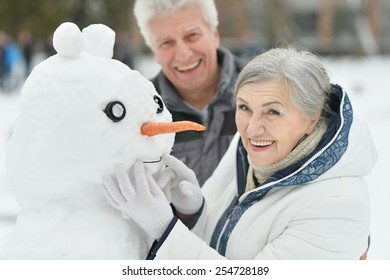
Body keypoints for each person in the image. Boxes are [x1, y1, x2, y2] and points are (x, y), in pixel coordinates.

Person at [103, 47, 377, 259]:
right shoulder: (249, 147)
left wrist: (165, 228)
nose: (253, 128)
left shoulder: (338, 206)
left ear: (311, 119)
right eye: (244, 107)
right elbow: (217, 243)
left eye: (273, 111)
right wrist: (195, 211)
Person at [133, 0, 244, 186]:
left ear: (215, 35)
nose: (183, 54)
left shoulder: (265, 92)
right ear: (155, 51)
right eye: (166, 43)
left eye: (192, 35)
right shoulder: (139, 113)